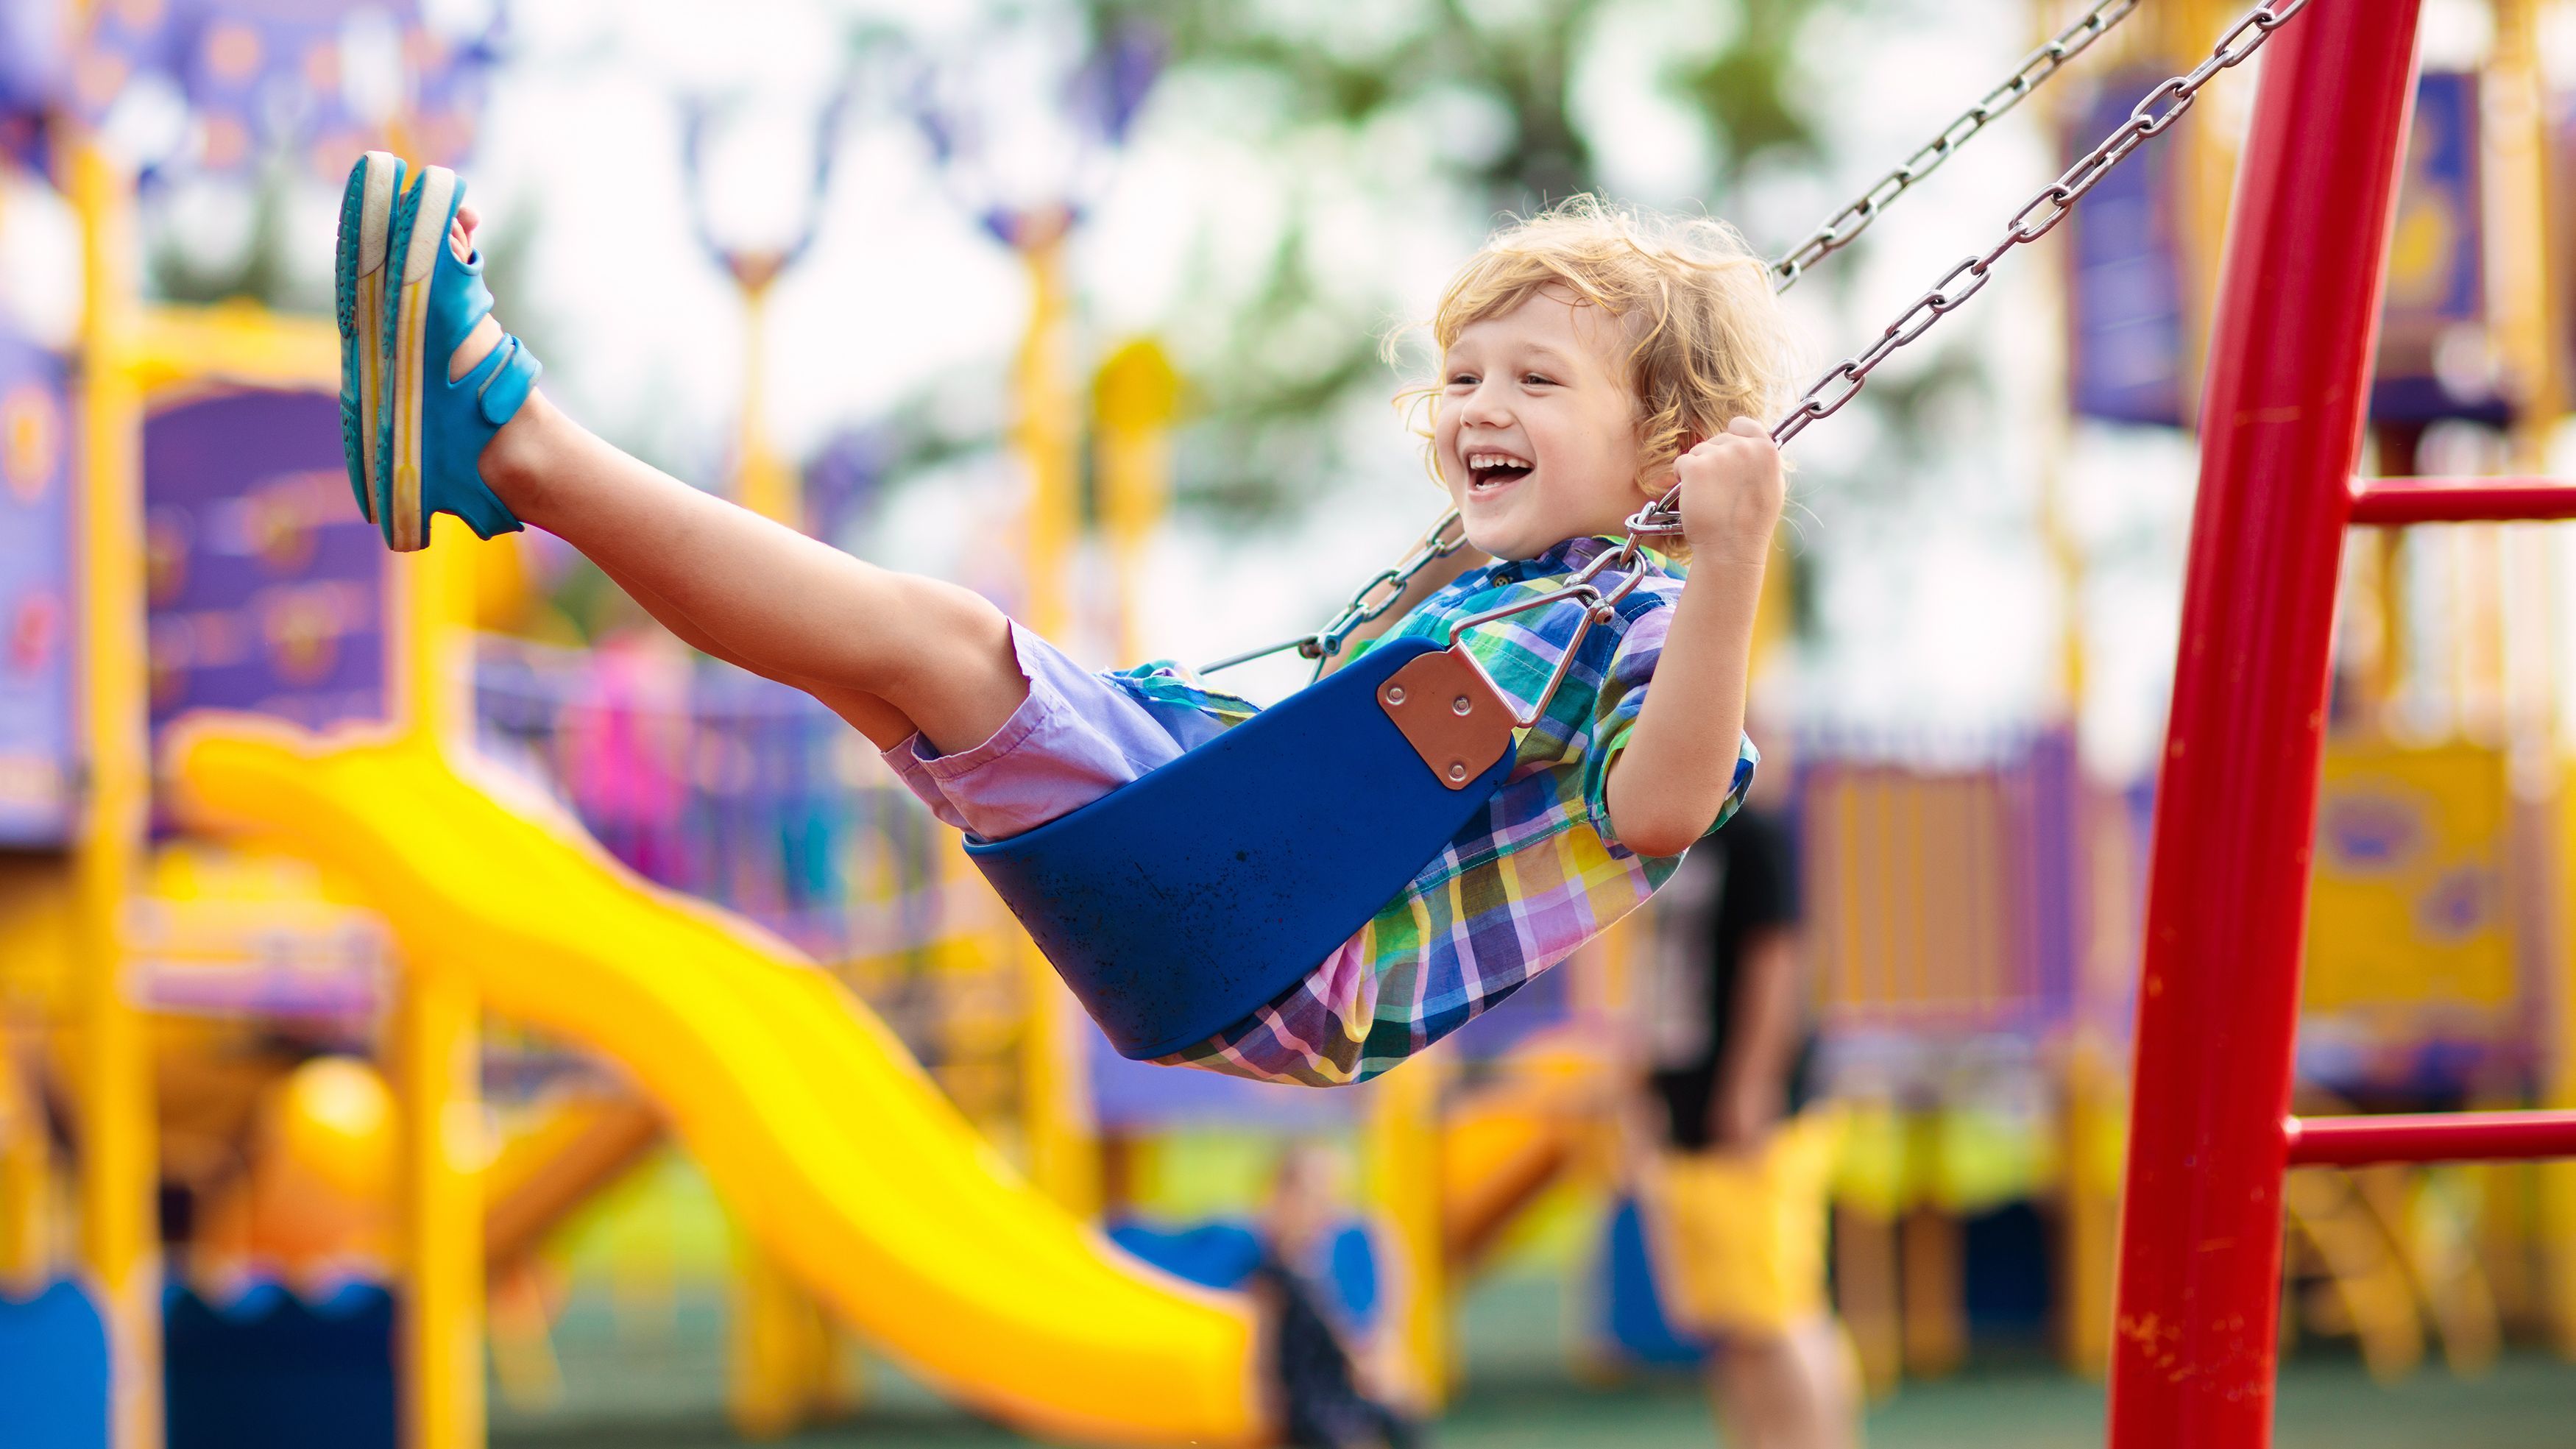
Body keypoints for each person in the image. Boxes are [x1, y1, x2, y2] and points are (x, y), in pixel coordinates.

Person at [336, 153, 1789, 1087]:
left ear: (1668, 450)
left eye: (1536, 381)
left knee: (935, 642)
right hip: (1225, 891)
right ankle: (498, 471)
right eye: (1464, 375)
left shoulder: (1647, 620)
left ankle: (513, 438)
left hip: (1279, 939)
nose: (1480, 404)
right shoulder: (1502, 598)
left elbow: (1661, 810)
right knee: (860, 659)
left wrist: (1729, 562)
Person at [1635, 783, 1858, 1449]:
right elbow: (1665, 973)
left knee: (1781, 1309)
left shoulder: (1755, 833)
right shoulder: (1669, 842)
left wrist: (1752, 1083)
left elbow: (1778, 959)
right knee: (1731, 1316)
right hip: (1690, 1097)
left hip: (1750, 1109)